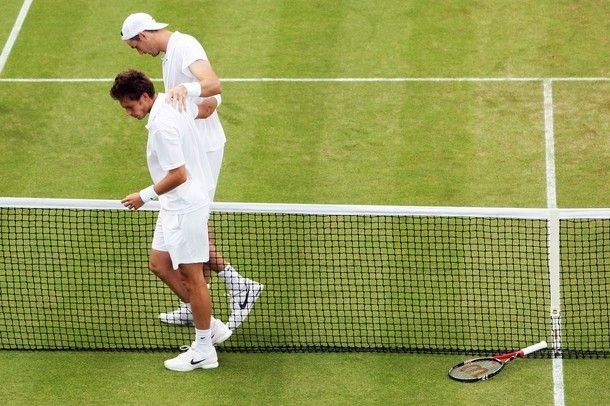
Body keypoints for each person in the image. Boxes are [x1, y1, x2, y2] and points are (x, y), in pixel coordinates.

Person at [120, 12, 263, 330]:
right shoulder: (170, 55)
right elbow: (201, 105)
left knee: (194, 223)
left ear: (143, 35)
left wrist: (186, 93)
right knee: (194, 225)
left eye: (135, 46)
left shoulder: (184, 45)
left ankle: (239, 286)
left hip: (204, 150)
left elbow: (213, 87)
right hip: (192, 146)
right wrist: (181, 113)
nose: (138, 53)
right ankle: (198, 302)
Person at [111, 69, 228, 371]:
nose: (128, 113)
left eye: (130, 106)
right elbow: (212, 101)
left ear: (146, 96)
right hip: (174, 205)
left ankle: (203, 350)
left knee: (193, 278)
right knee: (159, 264)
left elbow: (178, 175)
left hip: (185, 206)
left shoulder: (162, 125)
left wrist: (143, 195)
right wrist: (194, 92)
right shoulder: (173, 102)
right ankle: (212, 326)